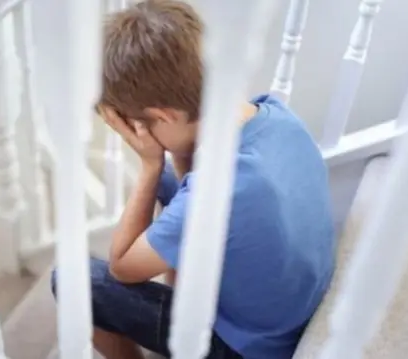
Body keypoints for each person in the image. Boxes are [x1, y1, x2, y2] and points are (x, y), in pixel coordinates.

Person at [50, 1, 336, 358]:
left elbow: (123, 267)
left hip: (250, 347)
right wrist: (176, 151)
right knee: (173, 186)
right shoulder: (278, 116)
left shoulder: (225, 189)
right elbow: (194, 183)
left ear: (163, 116)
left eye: (136, 126)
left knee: (75, 281)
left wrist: (150, 166)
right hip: (287, 309)